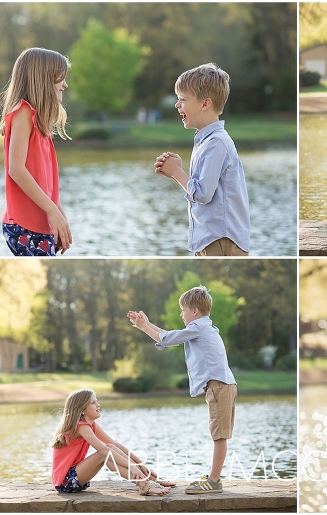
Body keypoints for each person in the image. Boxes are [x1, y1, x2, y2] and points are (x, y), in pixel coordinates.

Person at [128, 285, 237, 494]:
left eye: (183, 310)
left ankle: (213, 482)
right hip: (221, 385)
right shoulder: (203, 327)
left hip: (219, 386)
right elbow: (170, 336)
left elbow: (167, 339)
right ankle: (213, 479)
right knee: (219, 434)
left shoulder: (199, 327)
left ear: (194, 311)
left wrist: (144, 328)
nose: (181, 314)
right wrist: (147, 324)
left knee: (219, 436)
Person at [154, 63, 250, 256]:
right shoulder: (205, 141)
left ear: (205, 104)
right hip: (209, 239)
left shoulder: (216, 142)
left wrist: (177, 172)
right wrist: (174, 173)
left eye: (182, 99)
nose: (176, 104)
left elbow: (203, 194)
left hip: (221, 240)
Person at [0, 47, 73, 256]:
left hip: (41, 223)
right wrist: (52, 211)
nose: (65, 84)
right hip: (25, 225)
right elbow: (16, 169)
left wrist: (60, 217)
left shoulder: (41, 123)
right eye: (60, 77)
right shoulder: (23, 112)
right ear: (43, 78)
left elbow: (46, 183)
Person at [50, 389, 174, 496]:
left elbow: (114, 444)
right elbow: (103, 451)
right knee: (104, 453)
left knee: (110, 448)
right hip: (65, 482)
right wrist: (132, 466)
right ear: (82, 410)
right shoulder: (81, 427)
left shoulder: (91, 425)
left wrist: (140, 464)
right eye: (93, 402)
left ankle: (151, 479)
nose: (98, 405)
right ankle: (144, 484)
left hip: (76, 476)